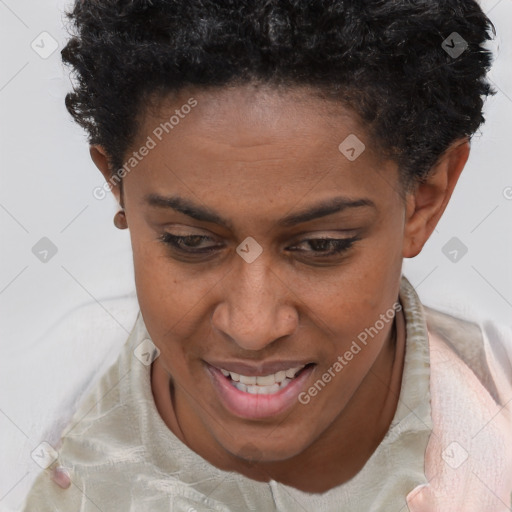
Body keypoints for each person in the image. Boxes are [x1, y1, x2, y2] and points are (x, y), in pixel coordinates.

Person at [22, 0, 512, 510]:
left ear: (425, 200)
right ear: (118, 186)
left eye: (322, 246)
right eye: (190, 241)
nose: (252, 327)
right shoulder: (32, 449)